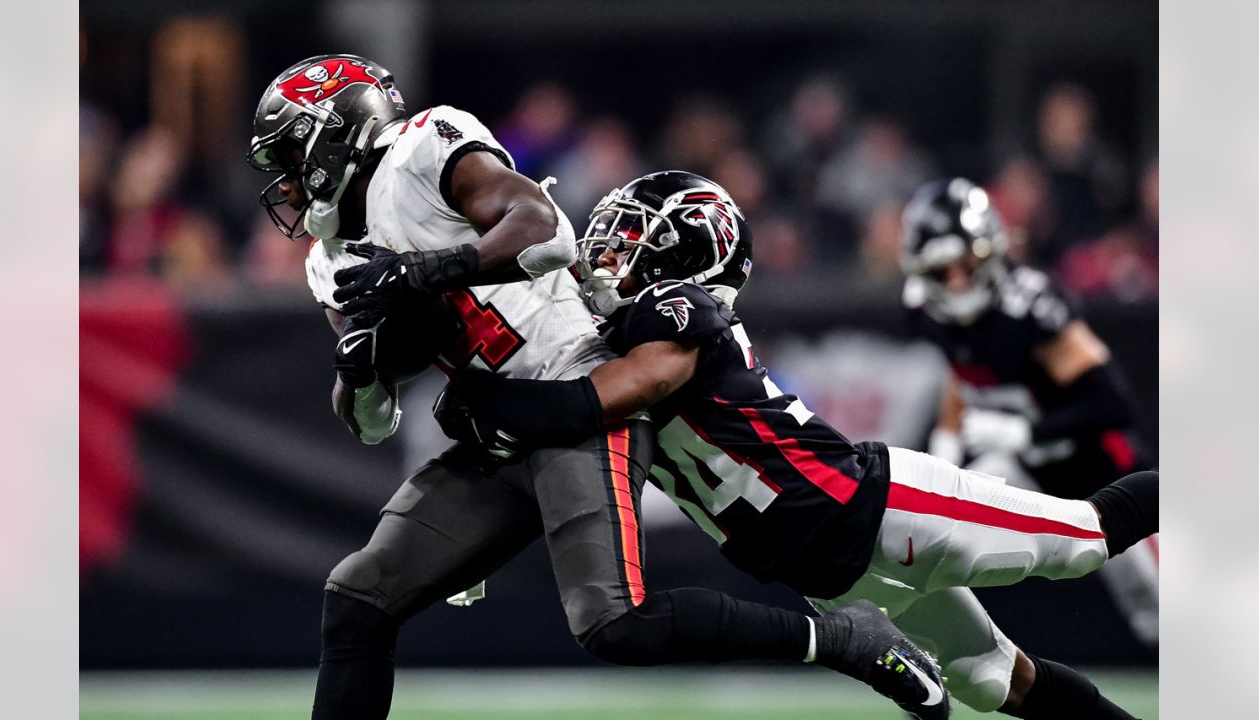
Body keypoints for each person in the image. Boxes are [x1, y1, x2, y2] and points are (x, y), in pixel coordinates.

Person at [245, 55, 948, 720]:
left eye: (286, 158)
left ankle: (848, 639)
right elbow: (373, 422)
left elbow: (546, 232)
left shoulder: (425, 146)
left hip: (576, 388)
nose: (284, 183)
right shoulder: (327, 260)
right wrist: (359, 363)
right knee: (357, 599)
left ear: (336, 134)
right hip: (498, 432)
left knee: (615, 623)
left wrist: (424, 272)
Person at [433, 171, 1159, 719]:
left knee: (1085, 540)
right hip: (828, 573)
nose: (605, 252)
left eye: (631, 237)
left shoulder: (680, 312)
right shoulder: (612, 338)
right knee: (991, 680)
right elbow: (569, 455)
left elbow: (588, 403)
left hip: (877, 511)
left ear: (683, 253)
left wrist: (491, 400)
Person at [900, 177, 1159, 648]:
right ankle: (925, 661)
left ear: (991, 252)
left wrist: (1026, 432)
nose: (956, 282)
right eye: (942, 272)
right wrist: (947, 444)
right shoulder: (927, 310)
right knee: (939, 537)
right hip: (1025, 468)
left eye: (966, 265)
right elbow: (962, 371)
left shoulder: (1030, 305)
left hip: (1096, 470)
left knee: (1159, 606)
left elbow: (1113, 405)